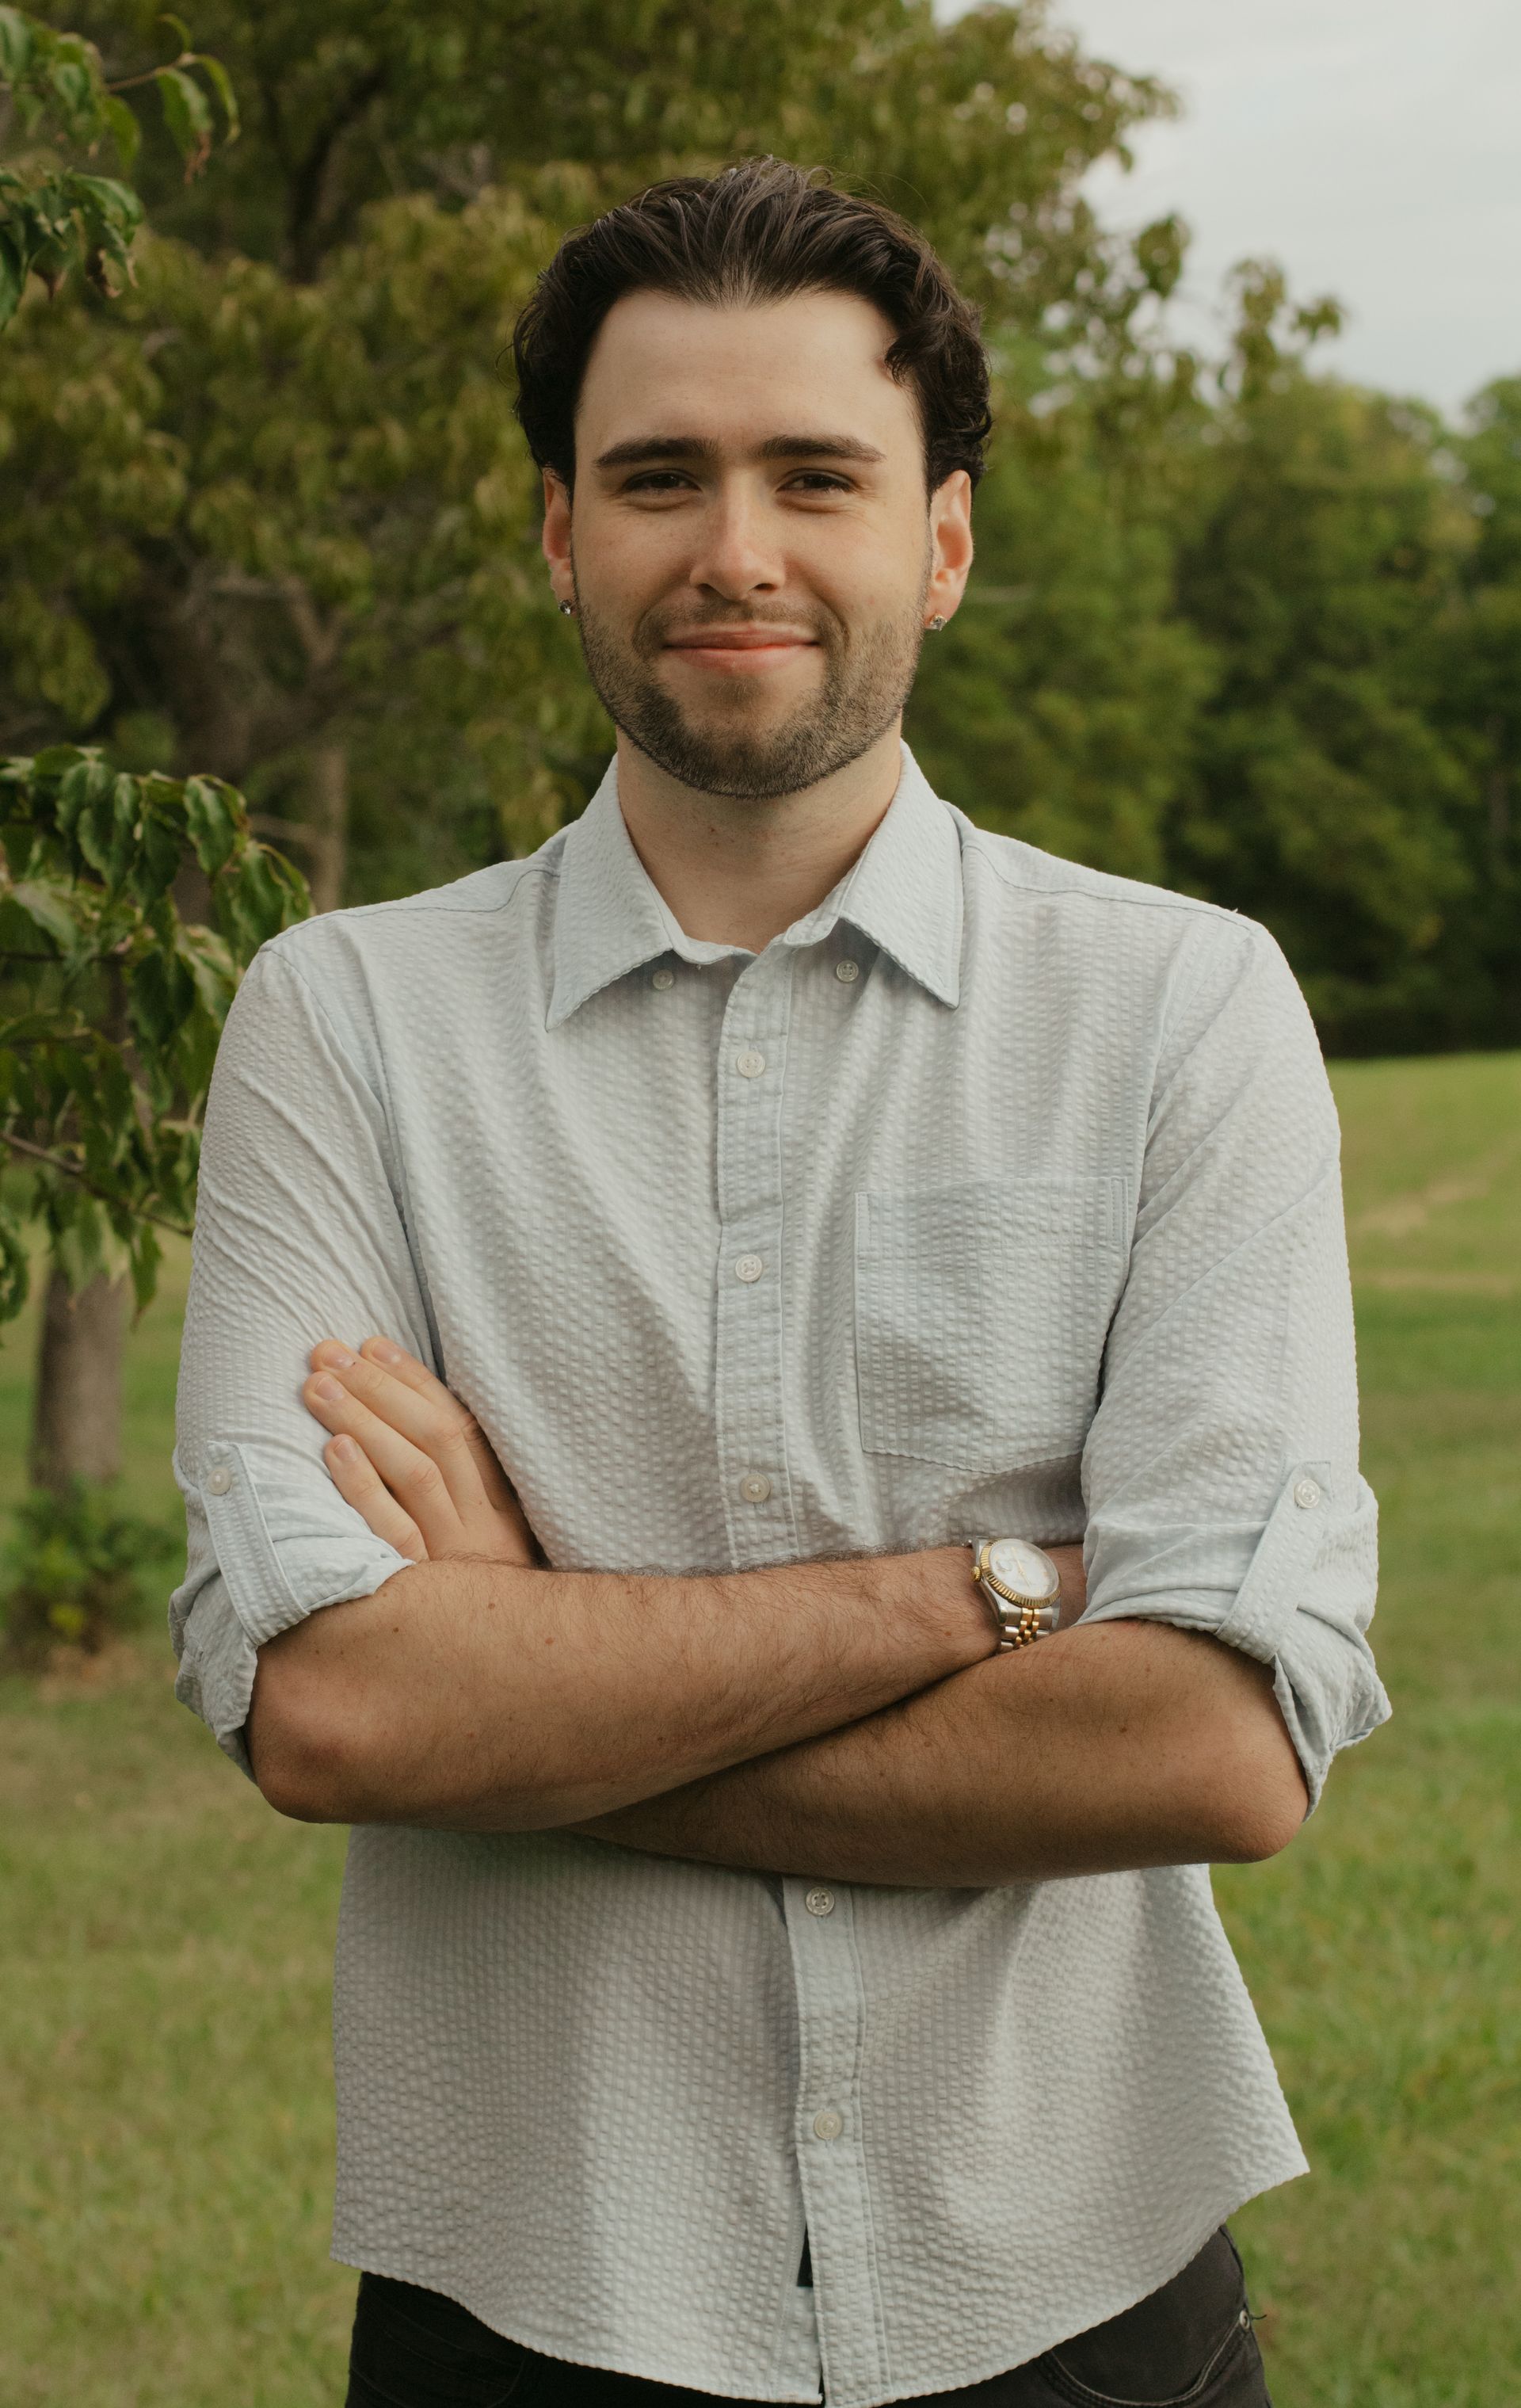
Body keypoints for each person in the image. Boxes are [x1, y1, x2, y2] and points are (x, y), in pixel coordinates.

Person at [170, 158, 1389, 2408]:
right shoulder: (342, 1024)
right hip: (530, 2292)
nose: (735, 548)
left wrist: (526, 1686)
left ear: (939, 537)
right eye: (658, 477)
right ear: (561, 537)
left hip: (1073, 2284)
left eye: (815, 474)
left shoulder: (1180, 1011)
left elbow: (1216, 1744)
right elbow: (337, 1712)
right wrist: (996, 1593)